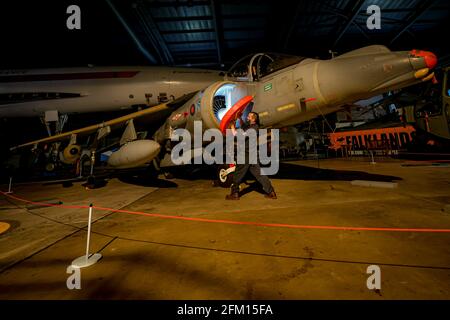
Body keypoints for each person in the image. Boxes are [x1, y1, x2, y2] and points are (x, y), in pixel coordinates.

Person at [225, 111, 277, 200]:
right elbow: (243, 126)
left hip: (245, 154)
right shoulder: (250, 126)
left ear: (253, 119)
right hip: (252, 155)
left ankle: (235, 194)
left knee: (238, 174)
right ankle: (271, 192)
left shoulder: (253, 129)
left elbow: (237, 135)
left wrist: (232, 126)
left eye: (249, 116)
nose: (247, 117)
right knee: (259, 174)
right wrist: (239, 119)